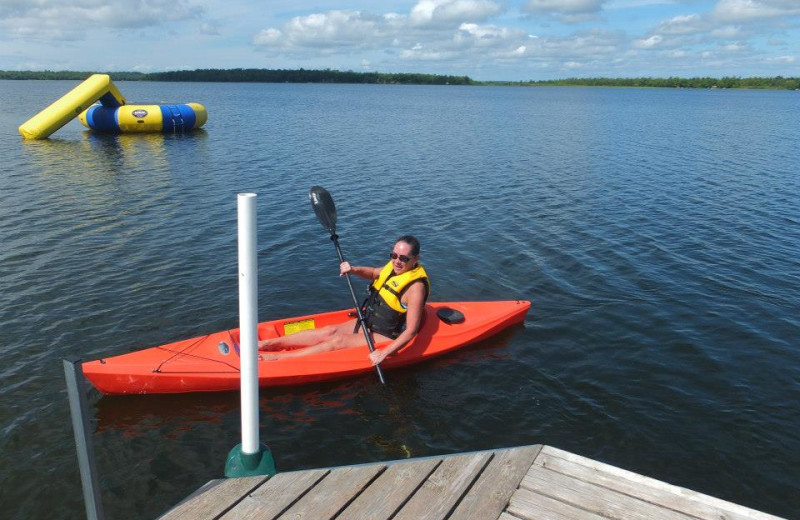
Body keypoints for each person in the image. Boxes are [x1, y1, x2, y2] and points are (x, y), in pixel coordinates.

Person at [258, 235, 430, 366]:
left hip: (385, 335)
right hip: (368, 322)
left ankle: (279, 357)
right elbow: (373, 273)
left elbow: (411, 330)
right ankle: (268, 343)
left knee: (338, 341)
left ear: (415, 259)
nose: (397, 261)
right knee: (329, 331)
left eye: (403, 258)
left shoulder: (415, 288)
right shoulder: (394, 266)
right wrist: (353, 269)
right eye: (394, 255)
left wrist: (384, 353)